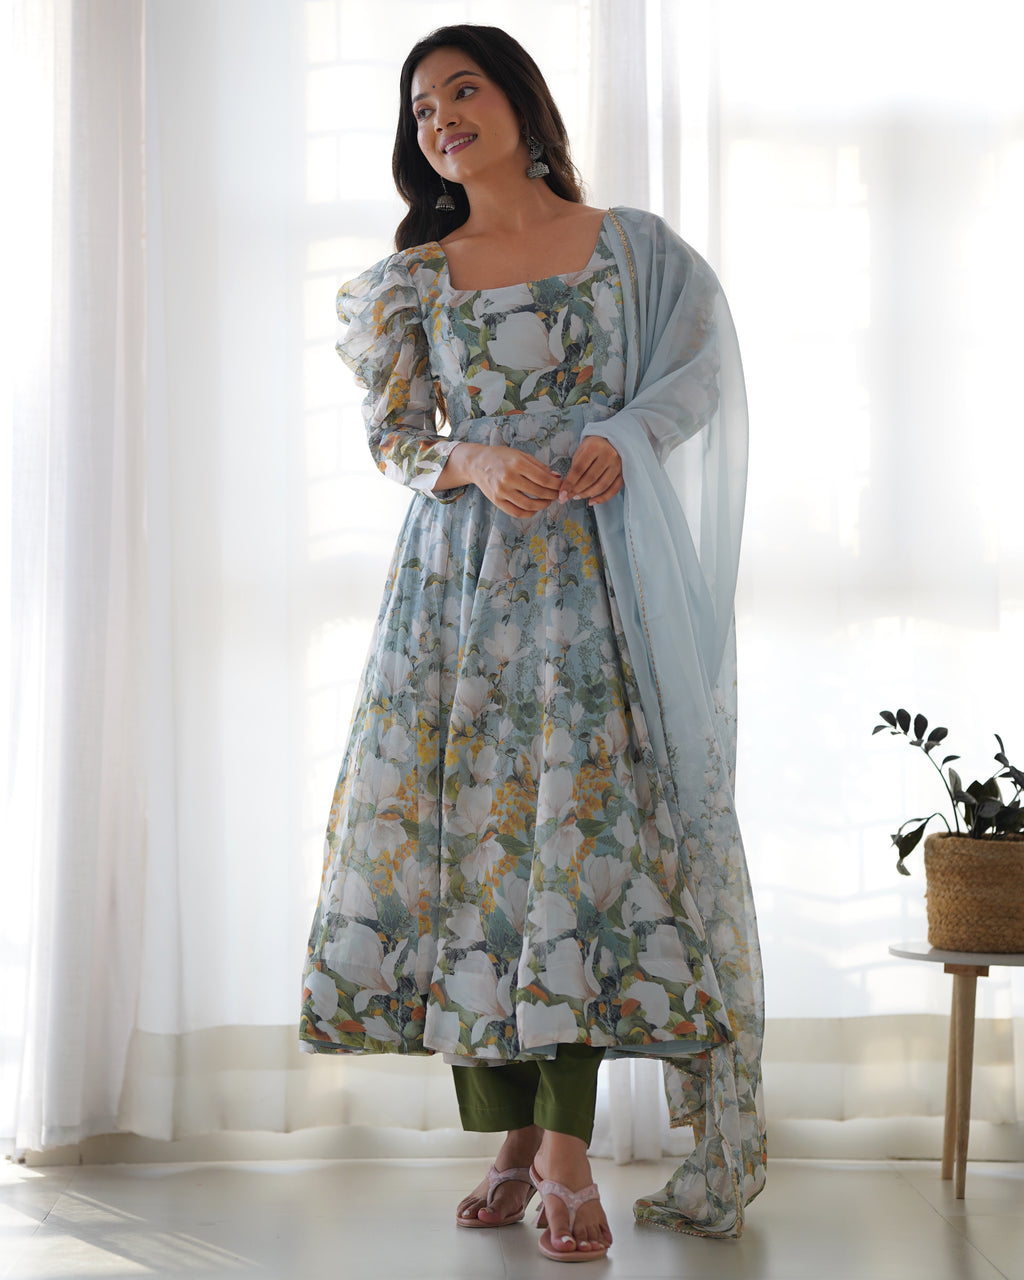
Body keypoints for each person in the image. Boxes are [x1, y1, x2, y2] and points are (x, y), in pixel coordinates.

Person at [299, 23, 766, 1258]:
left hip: (599, 587)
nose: (439, 117)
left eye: (462, 89)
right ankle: (509, 1134)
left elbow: (697, 367)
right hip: (460, 594)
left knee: (586, 850)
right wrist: (474, 454)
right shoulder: (413, 279)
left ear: (518, 101)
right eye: (419, 106)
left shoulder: (632, 250)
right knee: (480, 855)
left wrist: (629, 432)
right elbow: (398, 439)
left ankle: (564, 1148)